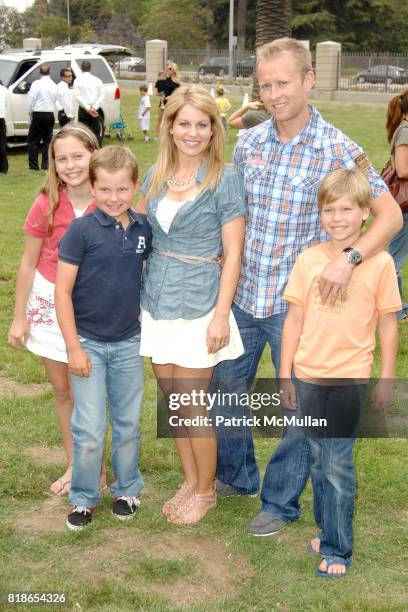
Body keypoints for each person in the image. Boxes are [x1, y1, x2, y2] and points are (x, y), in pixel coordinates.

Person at [213, 37, 402, 537]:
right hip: (242, 295)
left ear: (308, 80)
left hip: (300, 306)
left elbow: (390, 214)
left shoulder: (339, 148)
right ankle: (235, 476)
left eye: (283, 83)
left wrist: (351, 259)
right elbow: (235, 212)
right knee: (225, 391)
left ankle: (278, 501)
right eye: (266, 84)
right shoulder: (249, 141)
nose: (274, 93)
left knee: (299, 412)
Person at [280, 168, 400, 577]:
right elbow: (293, 321)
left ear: (366, 212)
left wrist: (385, 378)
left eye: (347, 209)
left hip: (348, 379)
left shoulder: (380, 263)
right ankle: (326, 527)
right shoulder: (308, 260)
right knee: (318, 459)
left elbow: (388, 323)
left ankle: (337, 550)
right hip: (307, 377)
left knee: (337, 464)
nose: (337, 218)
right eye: (329, 210)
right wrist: (284, 375)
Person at [138, 85, 247, 525]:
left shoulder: (224, 177)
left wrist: (221, 314)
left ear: (213, 129)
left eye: (202, 124)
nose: (193, 132)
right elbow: (136, 229)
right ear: (169, 125)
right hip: (157, 297)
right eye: (184, 123)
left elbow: (234, 252)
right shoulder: (156, 173)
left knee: (192, 402)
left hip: (202, 301)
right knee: (172, 400)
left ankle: (206, 491)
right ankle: (189, 478)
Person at [55, 146, 152, 532]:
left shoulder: (144, 228)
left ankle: (127, 489)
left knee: (127, 423)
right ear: (92, 187)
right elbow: (63, 292)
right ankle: (83, 497)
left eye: (123, 190)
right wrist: (74, 347)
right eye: (106, 190)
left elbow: (148, 270)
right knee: (90, 427)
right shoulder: (80, 231)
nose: (115, 198)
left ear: (135, 187)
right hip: (88, 344)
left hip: (129, 342)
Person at [8, 123, 100, 497]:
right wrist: (19, 316)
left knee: (92, 394)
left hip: (95, 308)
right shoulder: (47, 201)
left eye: (78, 156)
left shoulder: (111, 196)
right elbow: (28, 263)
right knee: (64, 392)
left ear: (94, 153)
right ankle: (76, 464)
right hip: (49, 302)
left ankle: (98, 468)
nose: (71, 165)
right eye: (61, 158)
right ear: (53, 164)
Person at [385, 90, 408, 321]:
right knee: (394, 260)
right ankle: (396, 309)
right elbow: (402, 169)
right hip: (405, 205)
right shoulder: (405, 131)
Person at [27, 64, 58, 171]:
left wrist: (29, 111)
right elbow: (55, 100)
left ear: (39, 72)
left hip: (38, 113)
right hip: (49, 113)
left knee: (33, 141)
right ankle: (46, 165)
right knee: (47, 141)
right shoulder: (54, 85)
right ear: (49, 72)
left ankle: (33, 166)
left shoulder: (36, 84)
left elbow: (31, 99)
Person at [73, 61, 104, 145]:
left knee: (83, 134)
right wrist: (93, 108)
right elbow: (101, 96)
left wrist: (87, 108)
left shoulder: (77, 80)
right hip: (95, 109)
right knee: (95, 134)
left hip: (83, 109)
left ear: (81, 68)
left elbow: (77, 96)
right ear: (90, 68)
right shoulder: (98, 80)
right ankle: (96, 151)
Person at [154, 71, 167, 139]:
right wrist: (161, 93)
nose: (162, 77)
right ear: (159, 76)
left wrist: (164, 94)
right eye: (161, 75)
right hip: (162, 99)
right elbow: (156, 93)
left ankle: (166, 135)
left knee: (167, 119)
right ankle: (156, 135)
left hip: (168, 101)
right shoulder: (157, 83)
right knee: (159, 119)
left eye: (163, 76)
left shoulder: (167, 82)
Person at [0, 79, 8, 174]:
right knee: (2, 143)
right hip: (1, 118)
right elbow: (5, 104)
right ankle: (4, 167)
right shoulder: (4, 90)